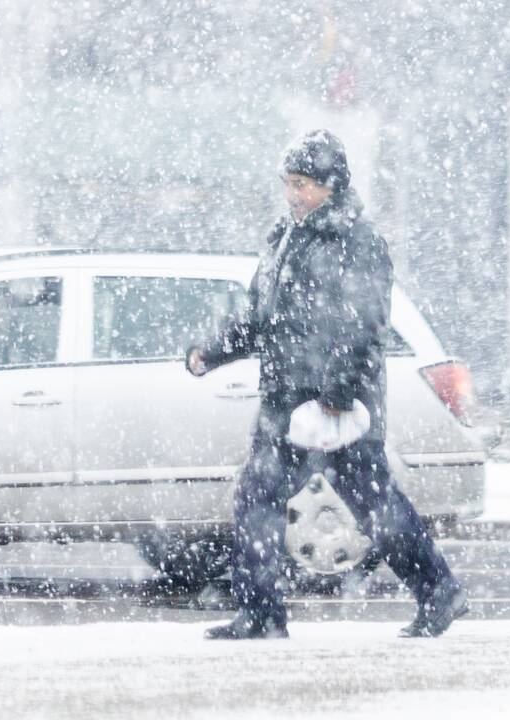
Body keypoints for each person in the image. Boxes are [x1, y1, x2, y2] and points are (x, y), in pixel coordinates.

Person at [187, 130, 468, 640]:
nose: (294, 194)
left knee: (375, 506)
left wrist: (336, 395)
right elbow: (261, 317)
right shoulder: (284, 238)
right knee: (257, 497)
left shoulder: (355, 241)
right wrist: (213, 351)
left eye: (304, 184)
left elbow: (363, 324)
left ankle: (438, 590)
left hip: (338, 406)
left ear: (331, 186)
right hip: (284, 400)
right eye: (288, 184)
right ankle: (261, 613)